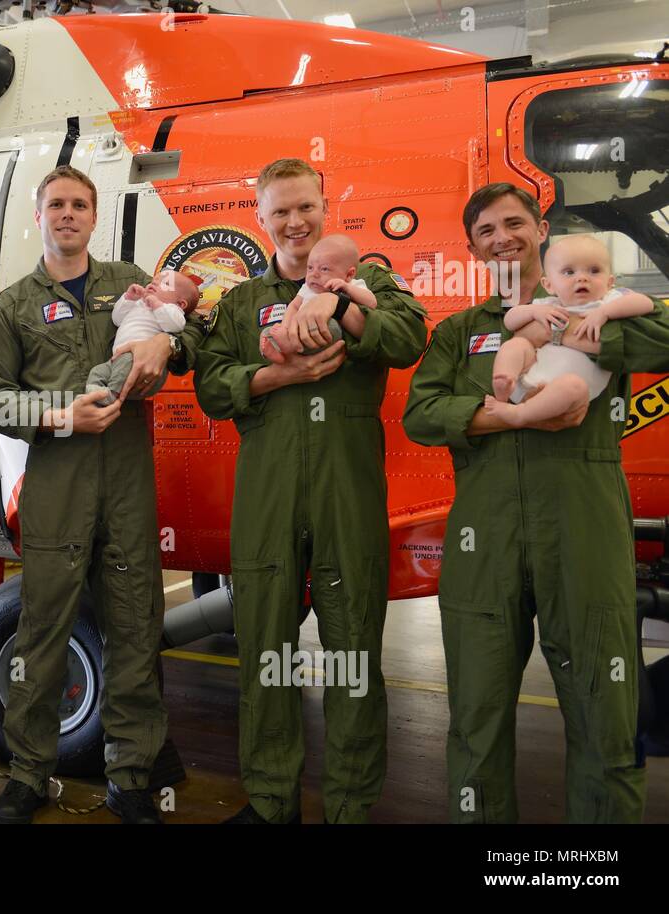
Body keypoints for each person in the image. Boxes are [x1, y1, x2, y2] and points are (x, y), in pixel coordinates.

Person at [404, 182, 669, 823]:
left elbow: (663, 339)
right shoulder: (462, 332)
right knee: (475, 713)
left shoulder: (605, 307)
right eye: (487, 230)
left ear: (540, 230)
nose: (503, 237)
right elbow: (421, 412)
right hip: (484, 537)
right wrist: (508, 419)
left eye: (514, 223)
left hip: (583, 528)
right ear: (472, 247)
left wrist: (586, 331)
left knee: (604, 711)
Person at [193, 157, 428, 825]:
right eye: (281, 211)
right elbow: (213, 388)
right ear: (260, 219)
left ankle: (350, 805)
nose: (296, 222)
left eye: (307, 208)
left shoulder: (371, 279)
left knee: (353, 648)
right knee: (264, 646)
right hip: (267, 486)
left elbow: (409, 337)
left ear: (326, 210)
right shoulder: (239, 302)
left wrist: (341, 303)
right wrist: (276, 379)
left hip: (346, 487)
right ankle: (271, 802)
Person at [0, 165, 199, 825]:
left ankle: (130, 777)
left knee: (134, 628)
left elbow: (187, 342)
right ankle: (26, 773)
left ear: (93, 217)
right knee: (42, 632)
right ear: (39, 217)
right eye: (56, 205)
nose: (67, 214)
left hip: (126, 482)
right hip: (56, 484)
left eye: (78, 204)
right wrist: (59, 415)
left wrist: (164, 337)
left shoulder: (125, 282)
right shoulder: (14, 304)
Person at [484, 233, 654, 427]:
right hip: (527, 377)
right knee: (517, 344)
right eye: (568, 272)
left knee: (574, 385)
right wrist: (534, 311)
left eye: (594, 270)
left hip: (568, 394)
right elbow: (510, 320)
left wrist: (605, 313)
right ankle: (504, 383)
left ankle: (519, 414)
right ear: (549, 285)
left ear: (609, 282)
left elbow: (645, 303)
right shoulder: (549, 304)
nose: (582, 278)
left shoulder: (609, 300)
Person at [85, 268, 198, 405]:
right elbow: (117, 319)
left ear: (181, 303)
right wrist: (128, 298)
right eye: (154, 281)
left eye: (165, 284)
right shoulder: (139, 303)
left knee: (123, 368)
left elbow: (175, 326)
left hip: (139, 364)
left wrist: (158, 306)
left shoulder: (172, 310)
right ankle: (92, 395)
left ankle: (112, 395)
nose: (154, 284)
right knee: (97, 372)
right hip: (116, 360)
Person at [259, 234, 372, 363]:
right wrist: (285, 327)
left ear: (349, 274)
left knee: (331, 326)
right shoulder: (307, 288)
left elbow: (371, 303)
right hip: (297, 329)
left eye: (324, 269)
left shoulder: (353, 285)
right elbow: (294, 306)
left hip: (323, 334)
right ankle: (281, 351)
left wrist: (346, 289)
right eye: (310, 268)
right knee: (269, 331)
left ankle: (287, 346)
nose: (314, 274)